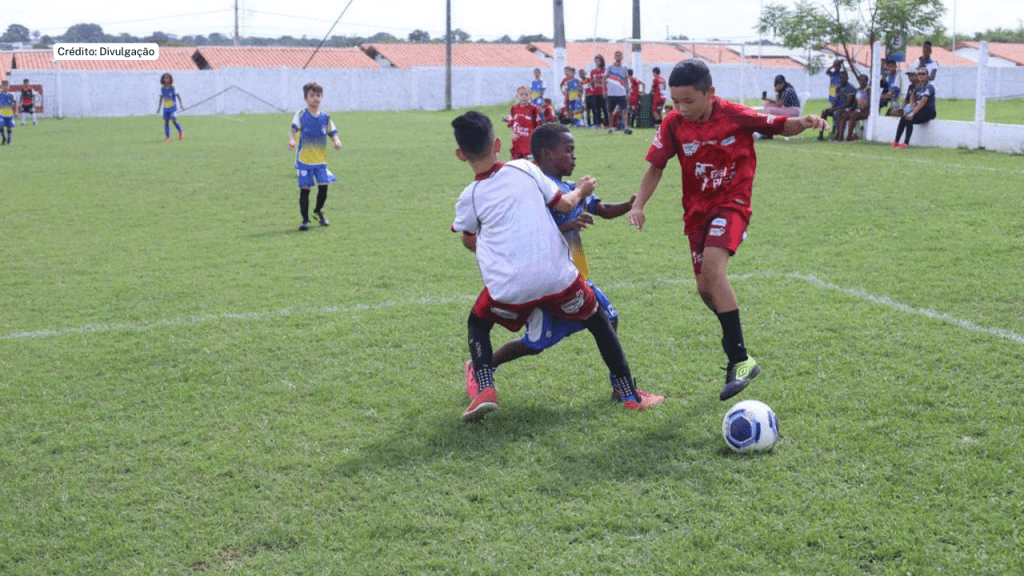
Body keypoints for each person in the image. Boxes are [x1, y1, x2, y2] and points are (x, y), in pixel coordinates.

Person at [626, 60, 827, 401]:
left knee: (713, 269)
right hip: (696, 214)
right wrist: (638, 204)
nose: (681, 108)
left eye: (689, 101)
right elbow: (655, 168)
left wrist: (804, 122)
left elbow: (779, 125)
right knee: (705, 289)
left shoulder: (734, 115)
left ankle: (739, 359)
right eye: (675, 101)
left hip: (732, 204)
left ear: (710, 93)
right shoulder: (674, 124)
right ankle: (734, 340)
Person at [451, 111, 656, 421]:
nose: (573, 156)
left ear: (460, 155)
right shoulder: (526, 169)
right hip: (559, 277)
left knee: (478, 324)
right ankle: (629, 394)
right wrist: (582, 190)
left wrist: (496, 249)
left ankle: (484, 384)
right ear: (497, 144)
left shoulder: (470, 196)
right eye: (568, 150)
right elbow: (565, 204)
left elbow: (468, 239)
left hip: (512, 287)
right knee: (592, 323)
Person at [288, 82, 342, 231]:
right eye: (312, 95)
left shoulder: (325, 117)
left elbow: (332, 133)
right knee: (305, 190)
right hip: (304, 161)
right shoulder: (301, 115)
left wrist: (336, 141)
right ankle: (305, 220)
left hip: (321, 161)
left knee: (324, 187)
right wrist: (292, 140)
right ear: (306, 98)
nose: (316, 98)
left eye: (318, 95)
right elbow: (293, 131)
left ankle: (318, 211)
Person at [892, 67, 936, 148]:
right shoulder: (917, 86)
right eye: (919, 74)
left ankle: (906, 143)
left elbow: (924, 101)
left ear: (927, 75)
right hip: (919, 110)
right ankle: (896, 142)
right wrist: (912, 106)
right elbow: (912, 96)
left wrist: (913, 112)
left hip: (928, 111)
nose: (921, 76)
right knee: (903, 119)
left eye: (923, 74)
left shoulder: (929, 86)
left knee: (909, 119)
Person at [505, 85, 543, 160]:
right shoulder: (514, 108)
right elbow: (511, 122)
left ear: (530, 96)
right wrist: (513, 133)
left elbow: (538, 124)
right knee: (515, 161)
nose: (523, 97)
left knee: (528, 162)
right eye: (521, 94)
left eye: (526, 95)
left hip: (528, 141)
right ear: (517, 96)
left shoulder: (534, 108)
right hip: (517, 140)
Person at [818, 70, 855, 140]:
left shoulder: (851, 88)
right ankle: (821, 135)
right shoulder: (838, 88)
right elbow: (836, 100)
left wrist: (839, 108)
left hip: (847, 108)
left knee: (837, 113)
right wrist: (833, 106)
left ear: (847, 78)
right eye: (840, 78)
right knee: (824, 112)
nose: (841, 80)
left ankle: (838, 135)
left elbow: (849, 103)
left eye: (843, 78)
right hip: (839, 108)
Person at [835, 74, 871, 142]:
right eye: (860, 81)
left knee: (853, 116)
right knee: (844, 115)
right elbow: (855, 102)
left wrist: (861, 109)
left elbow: (870, 103)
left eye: (862, 81)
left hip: (866, 111)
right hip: (857, 110)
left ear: (866, 82)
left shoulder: (868, 90)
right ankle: (840, 137)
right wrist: (851, 109)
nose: (861, 82)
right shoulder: (858, 90)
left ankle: (849, 137)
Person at [604, 50, 632, 134]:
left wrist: (627, 92)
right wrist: (604, 90)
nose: (618, 57)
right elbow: (604, 78)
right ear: (614, 57)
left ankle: (626, 127)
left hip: (621, 93)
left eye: (619, 55)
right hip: (611, 93)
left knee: (624, 110)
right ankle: (610, 127)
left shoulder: (624, 68)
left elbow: (626, 80)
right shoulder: (610, 67)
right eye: (616, 55)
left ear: (622, 57)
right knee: (610, 111)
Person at [157, 72, 185, 142]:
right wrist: (159, 108)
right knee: (166, 121)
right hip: (166, 107)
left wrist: (181, 105)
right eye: (165, 78)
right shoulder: (162, 89)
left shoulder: (173, 88)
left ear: (170, 79)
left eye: (167, 78)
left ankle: (181, 130)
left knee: (173, 120)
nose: (166, 79)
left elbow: (178, 96)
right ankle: (168, 137)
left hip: (173, 107)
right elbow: (161, 98)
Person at [588, 55, 608, 128]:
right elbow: (590, 82)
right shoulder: (593, 71)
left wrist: (601, 81)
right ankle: (598, 124)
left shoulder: (605, 70)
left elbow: (607, 81)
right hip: (595, 92)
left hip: (603, 92)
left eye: (598, 61)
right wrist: (593, 82)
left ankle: (607, 124)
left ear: (602, 61)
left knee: (605, 108)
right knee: (596, 109)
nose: (597, 62)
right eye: (596, 61)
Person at [0, 81, 15, 146]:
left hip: (9, 113)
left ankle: (9, 139)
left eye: (6, 85)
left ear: (8, 87)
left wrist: (15, 111)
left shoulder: (11, 95)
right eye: (3, 86)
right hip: (1, 113)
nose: (5, 87)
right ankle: (3, 138)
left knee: (9, 126)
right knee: (1, 125)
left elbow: (14, 104)